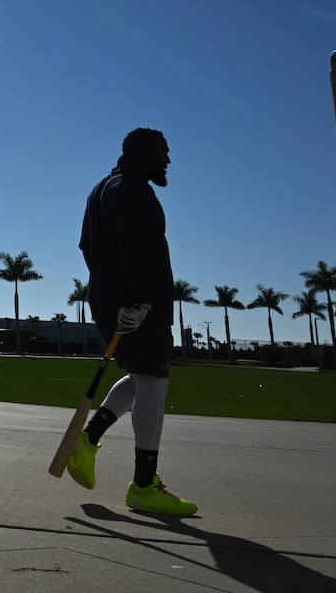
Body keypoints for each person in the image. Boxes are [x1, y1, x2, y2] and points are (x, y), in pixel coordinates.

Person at [67, 127, 197, 516]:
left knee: (141, 376)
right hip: (139, 306)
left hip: (112, 303)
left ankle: (87, 441)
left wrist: (111, 296)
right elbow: (136, 251)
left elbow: (86, 247)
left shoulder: (100, 189)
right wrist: (137, 301)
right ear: (145, 155)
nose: (168, 161)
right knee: (155, 382)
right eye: (163, 153)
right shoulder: (136, 191)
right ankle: (144, 486)